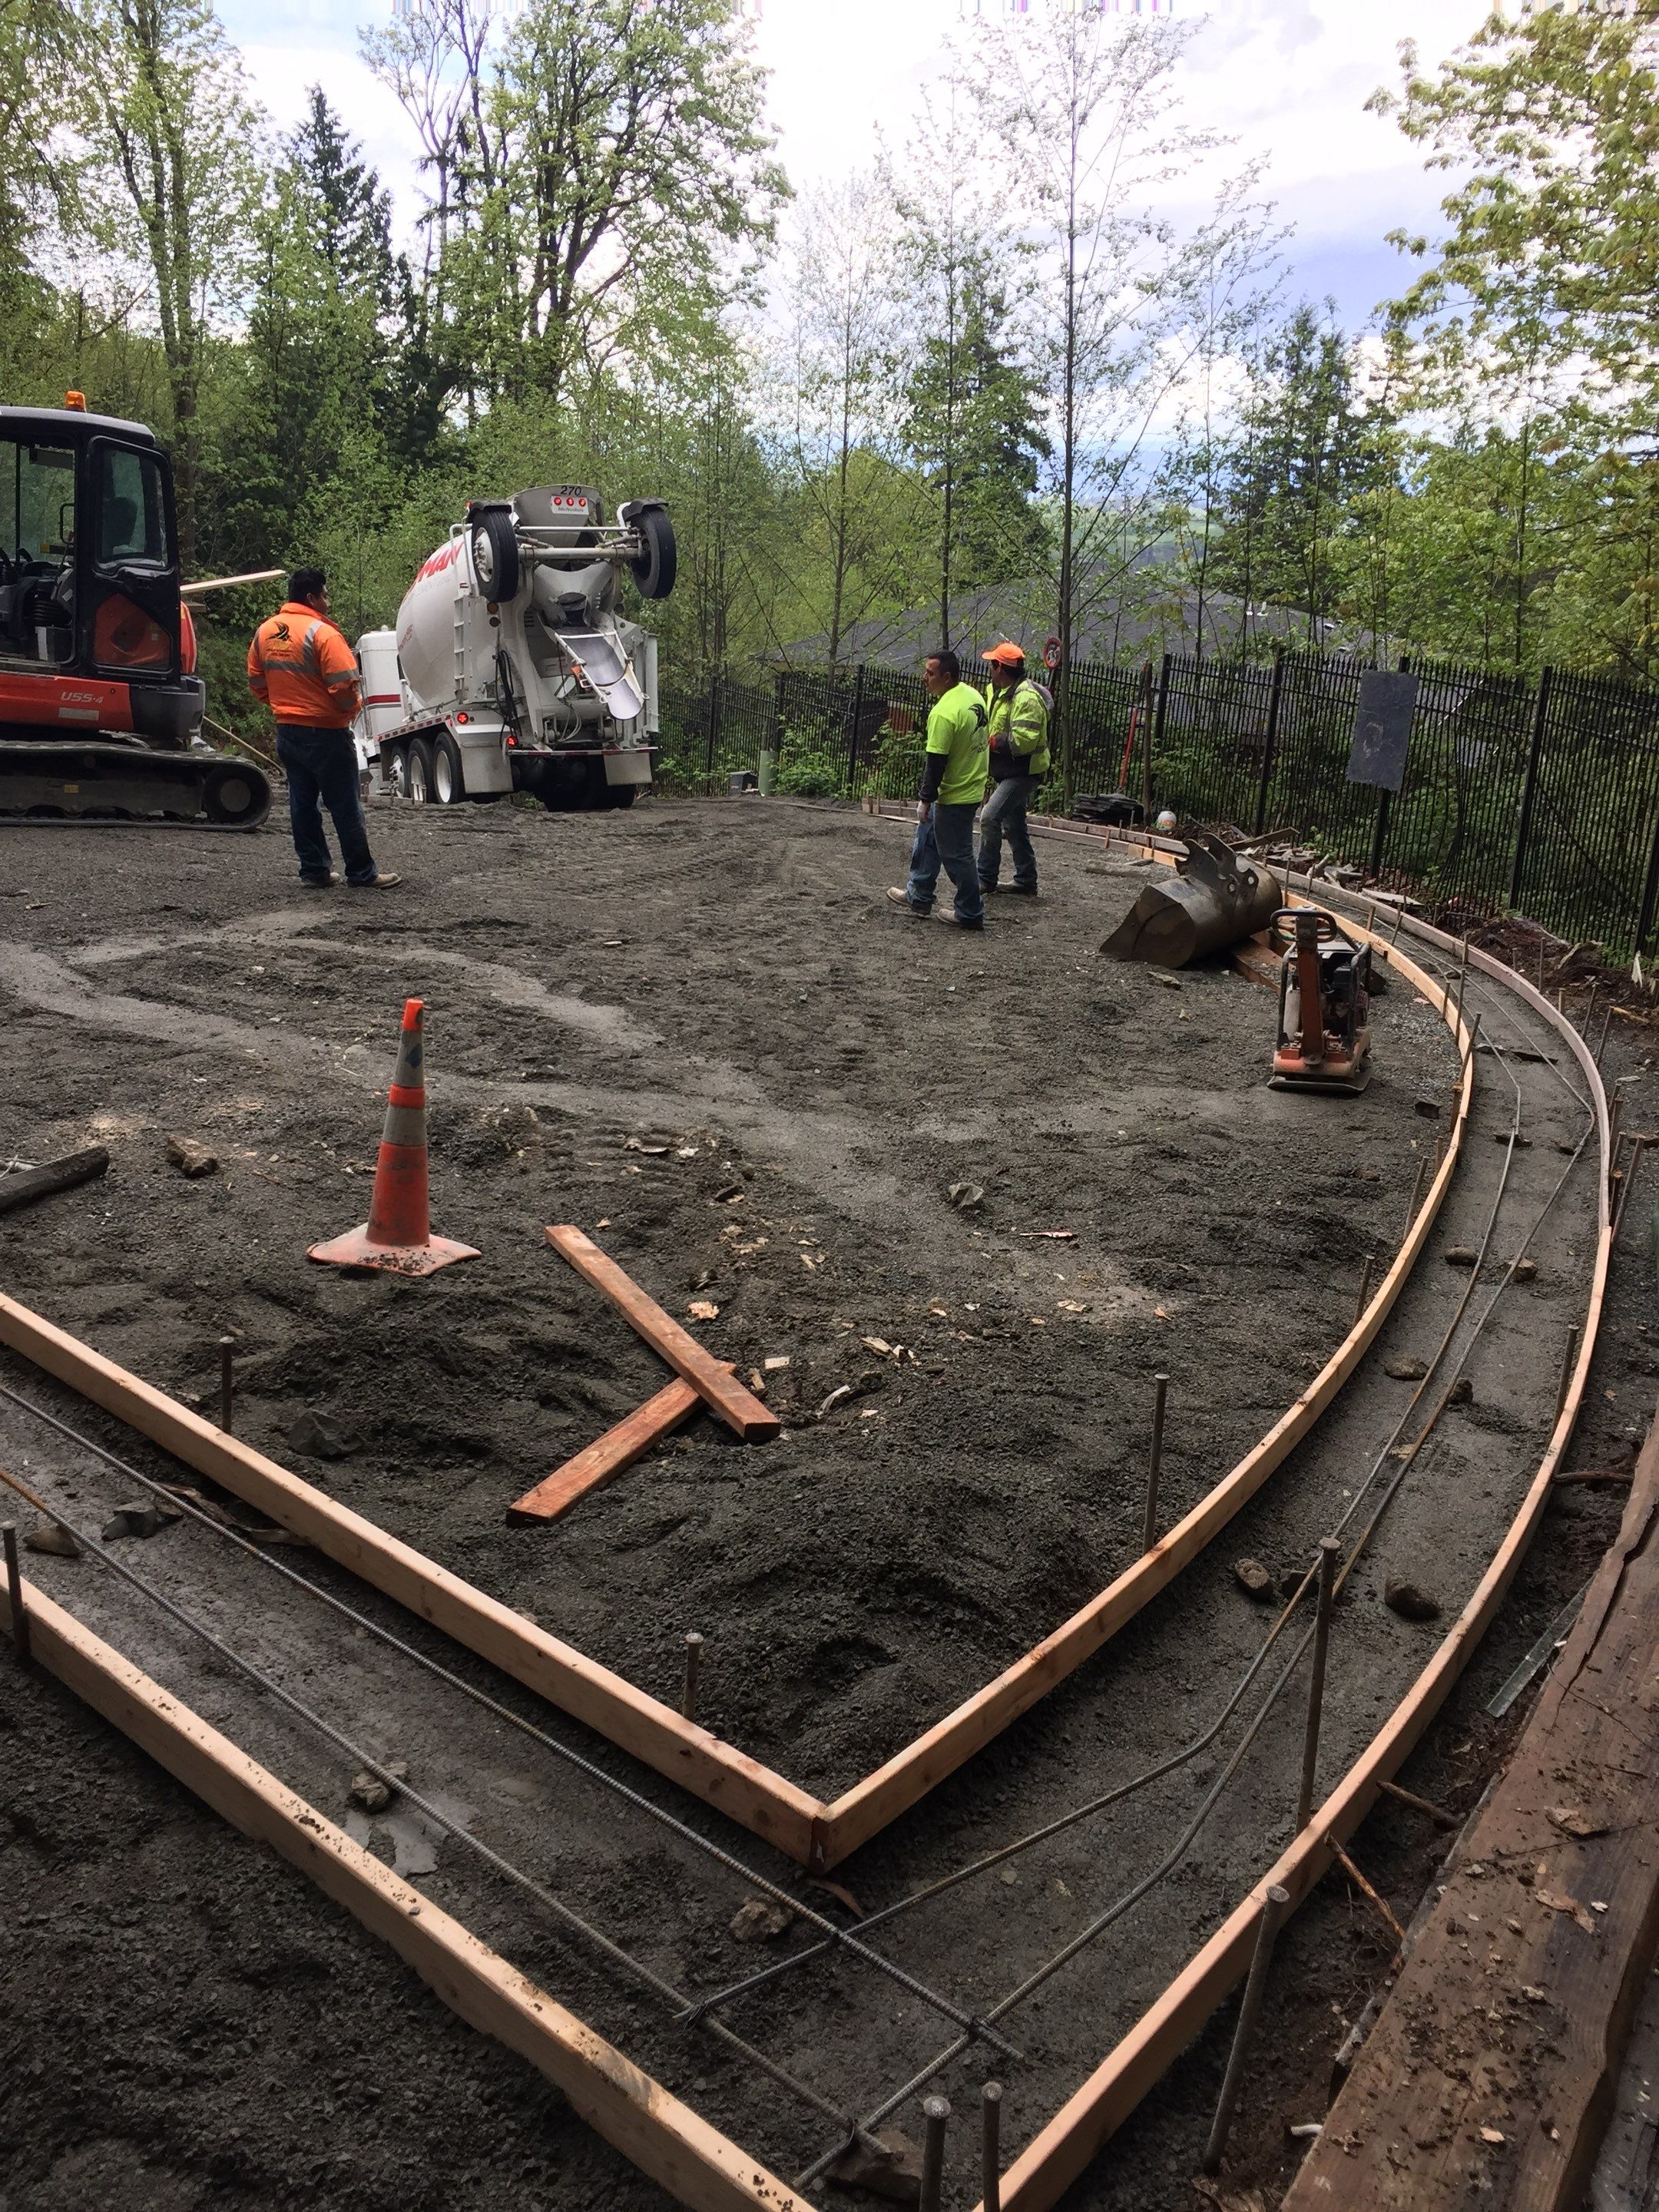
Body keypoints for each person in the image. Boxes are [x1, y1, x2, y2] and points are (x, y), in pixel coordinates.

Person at [247, 568, 400, 890]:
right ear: (311, 598)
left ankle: (314, 871)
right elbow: (345, 685)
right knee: (344, 804)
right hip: (327, 733)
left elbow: (257, 681)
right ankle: (361, 873)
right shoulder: (323, 634)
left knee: (302, 805)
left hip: (288, 731)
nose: (328, 601)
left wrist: (282, 705)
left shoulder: (265, 632)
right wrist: (351, 709)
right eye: (325, 595)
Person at [887, 650, 990, 928]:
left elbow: (936, 762)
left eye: (930, 674)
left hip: (954, 793)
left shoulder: (943, 713)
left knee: (957, 855)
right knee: (928, 837)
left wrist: (925, 799)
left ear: (946, 677)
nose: (925, 678)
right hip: (971, 784)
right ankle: (918, 893)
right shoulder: (972, 696)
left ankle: (970, 912)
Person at [977, 640, 1051, 898]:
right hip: (1009, 771)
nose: (989, 669)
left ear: (1000, 668)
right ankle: (1026, 880)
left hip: (1023, 772)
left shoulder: (1025, 698)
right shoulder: (998, 691)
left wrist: (993, 742)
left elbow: (1024, 742)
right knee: (1014, 825)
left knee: (989, 817)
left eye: (992, 664)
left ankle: (985, 879)